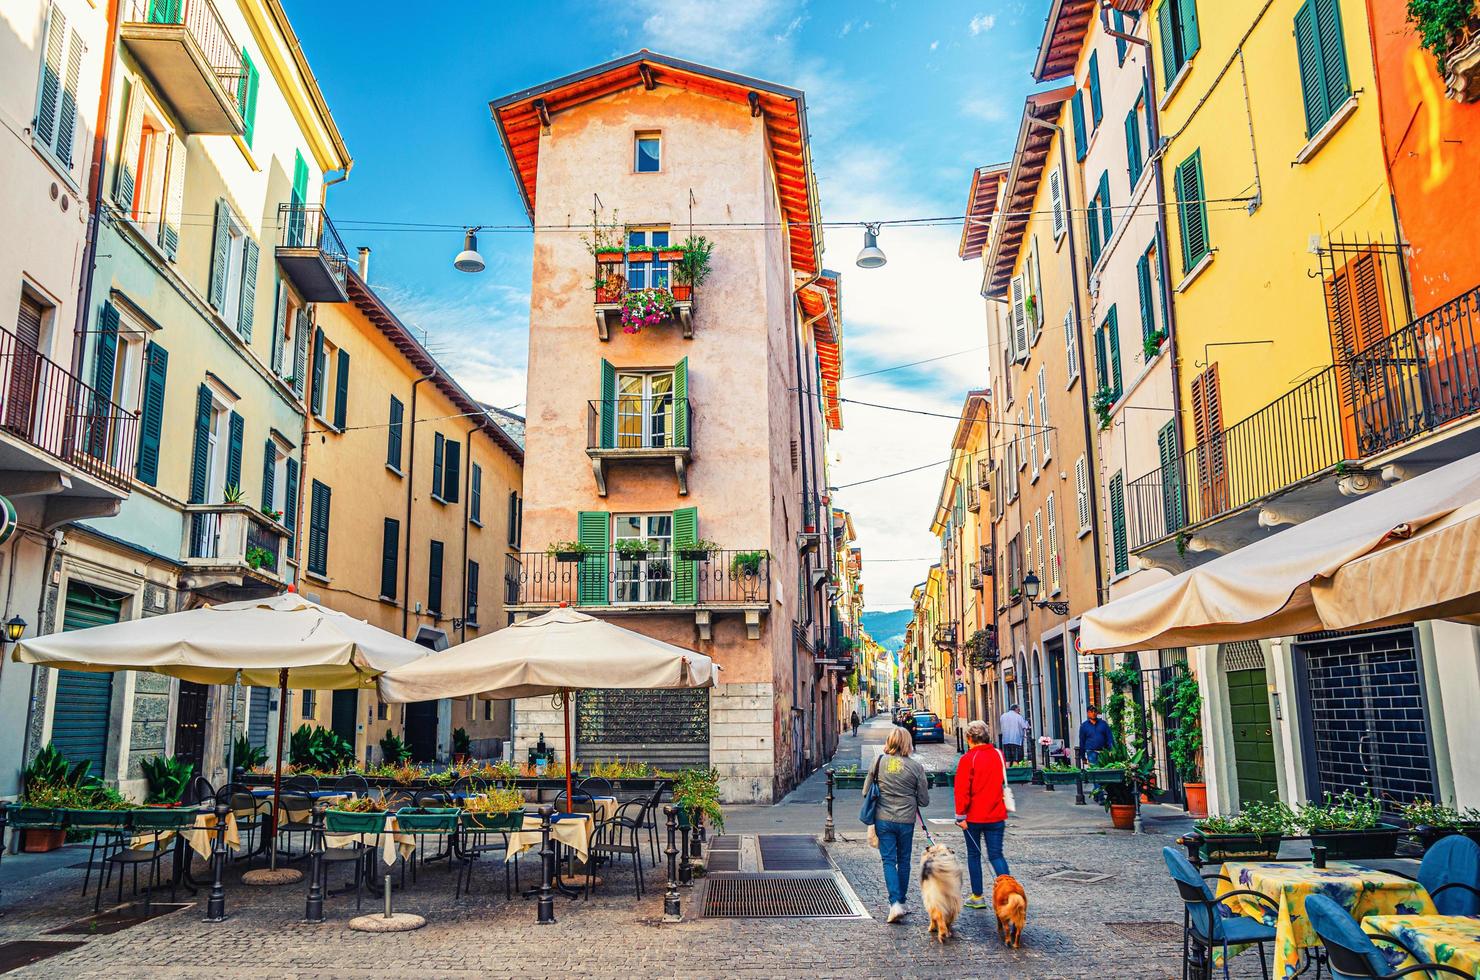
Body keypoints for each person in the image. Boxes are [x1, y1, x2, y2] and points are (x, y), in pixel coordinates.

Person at [862, 725, 930, 923]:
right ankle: (902, 900)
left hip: (883, 819)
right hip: (906, 820)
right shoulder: (916, 768)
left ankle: (894, 904)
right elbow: (924, 801)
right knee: (904, 860)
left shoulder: (878, 761)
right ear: (907, 744)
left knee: (889, 860)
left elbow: (866, 791)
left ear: (889, 741)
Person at [954, 719, 1010, 910]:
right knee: (996, 855)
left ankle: (978, 896)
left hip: (974, 817)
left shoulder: (968, 759)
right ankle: (1009, 893)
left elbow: (962, 790)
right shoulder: (998, 754)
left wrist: (960, 816)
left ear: (969, 738)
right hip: (996, 814)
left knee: (974, 855)